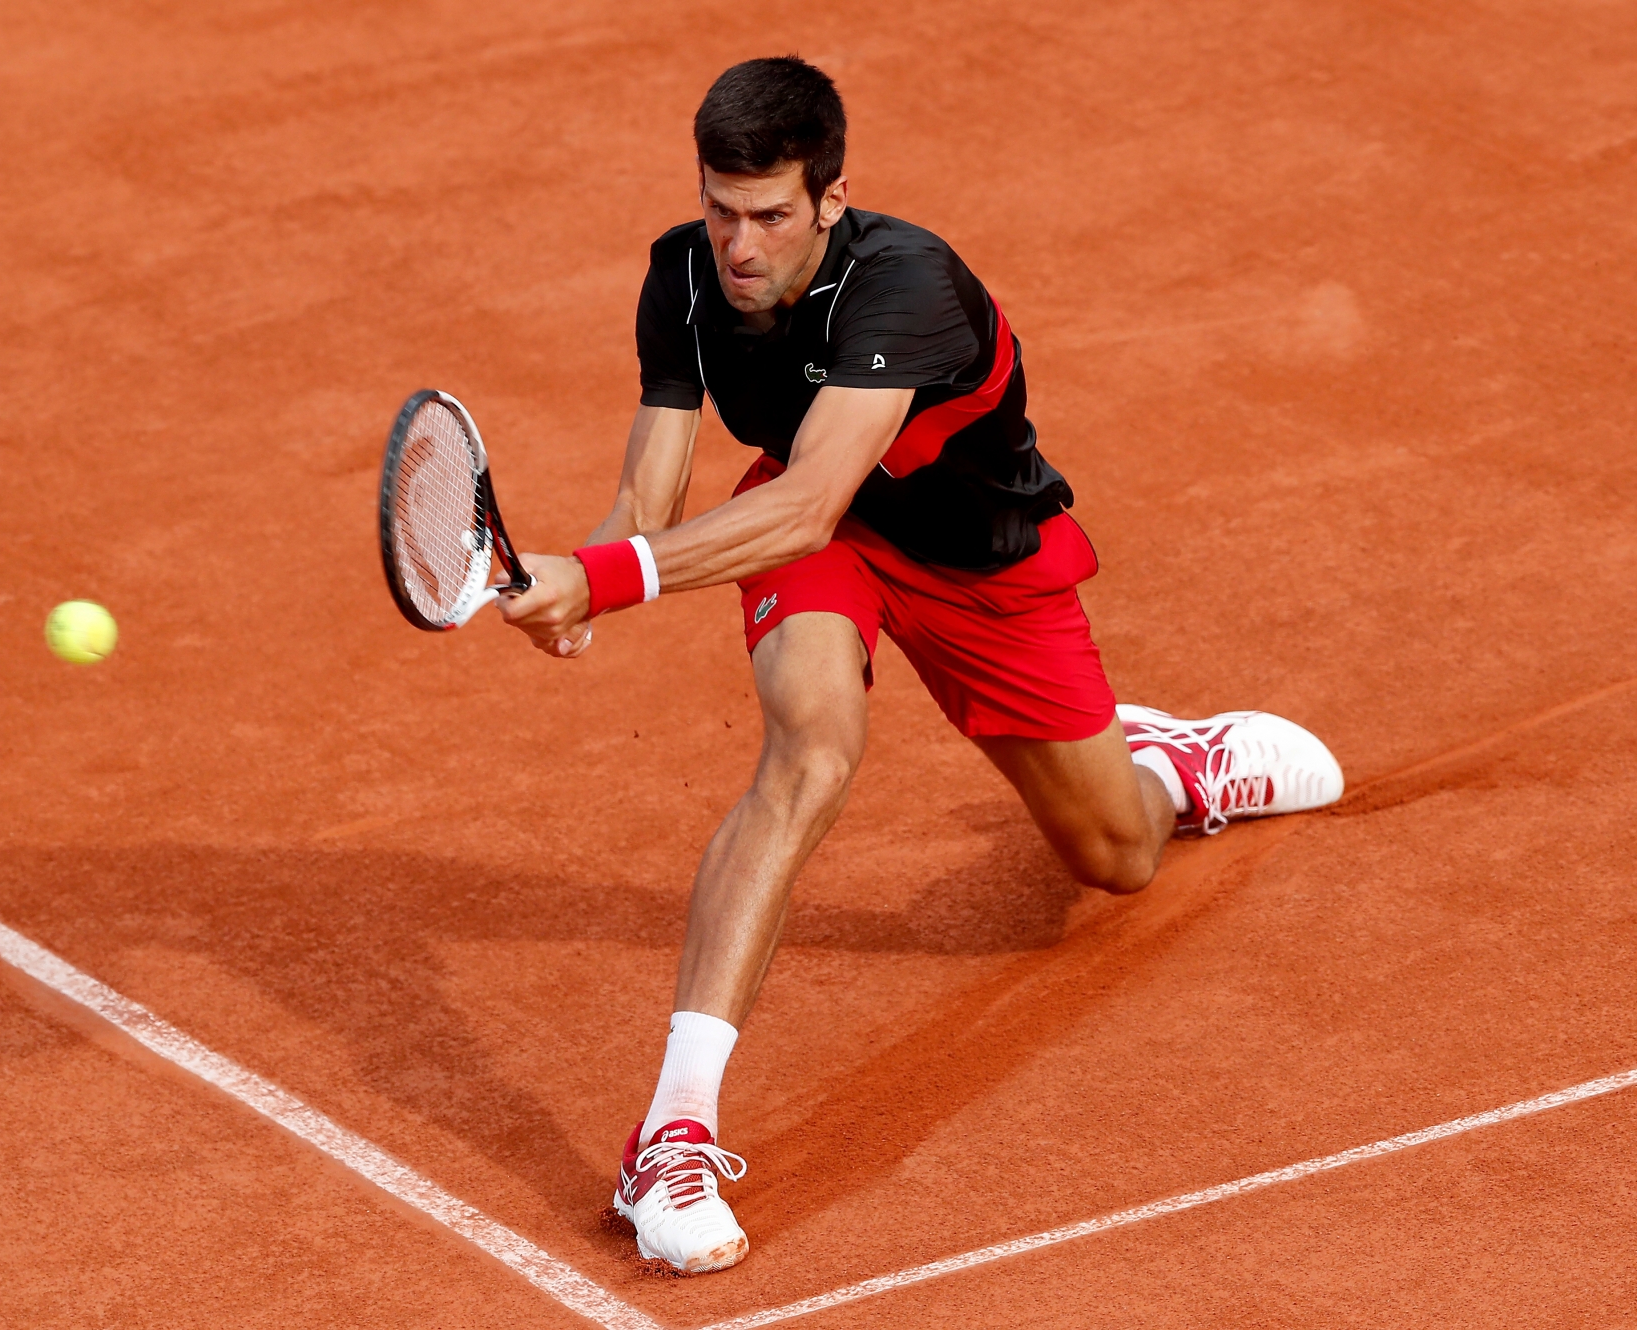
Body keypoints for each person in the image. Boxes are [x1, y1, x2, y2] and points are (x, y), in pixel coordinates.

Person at [497, 56, 1343, 1275]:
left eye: (770, 215)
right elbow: (650, 491)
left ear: (830, 200)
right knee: (809, 747)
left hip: (973, 562)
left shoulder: (906, 285)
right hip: (834, 545)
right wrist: (581, 586)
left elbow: (803, 498)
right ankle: (670, 1132)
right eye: (718, 208)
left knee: (1114, 859)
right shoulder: (679, 273)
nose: (737, 244)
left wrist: (609, 576)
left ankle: (1169, 764)